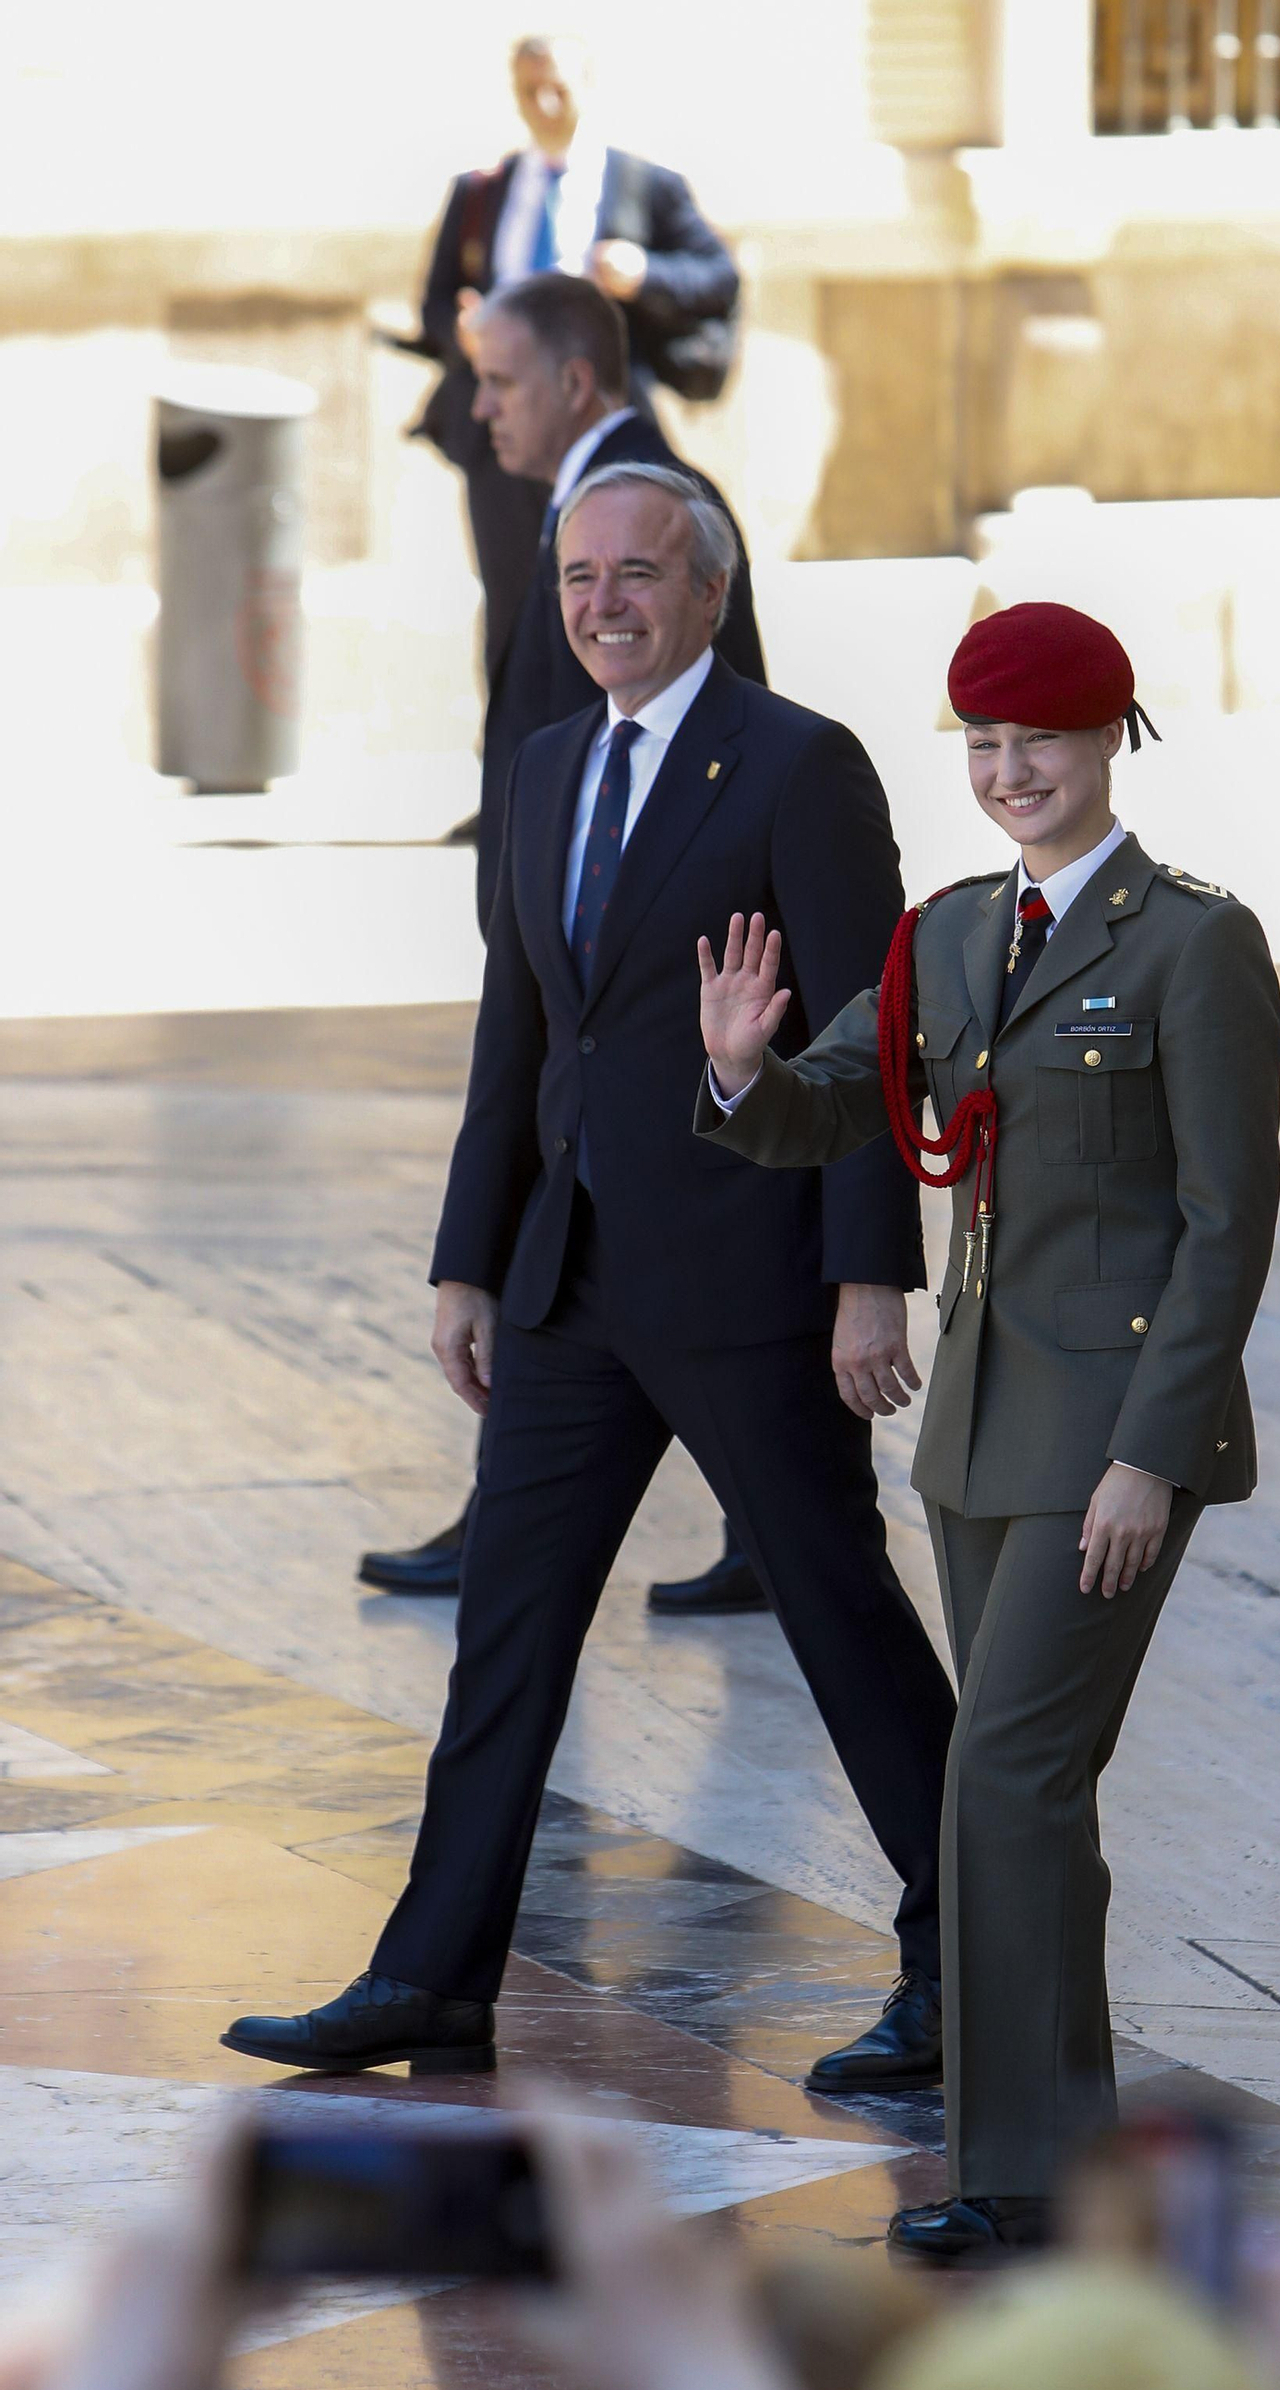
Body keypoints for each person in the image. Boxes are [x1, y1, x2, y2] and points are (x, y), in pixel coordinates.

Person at [223, 463, 957, 2078]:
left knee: (839, 1617)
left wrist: (867, 1278)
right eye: (578, 578)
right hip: (570, 1285)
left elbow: (863, 1039)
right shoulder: (551, 766)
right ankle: (433, 1976)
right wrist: (467, 1260)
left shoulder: (797, 765)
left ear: (709, 591)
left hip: (753, 1286)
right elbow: (522, 1036)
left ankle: (976, 1961)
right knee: (507, 1633)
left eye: (639, 574)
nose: (604, 603)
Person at [695, 601, 1280, 2261]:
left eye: (1042, 739)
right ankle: (1070, 2158)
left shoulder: (1192, 946)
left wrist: (1152, 1454)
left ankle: (1020, 2180)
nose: (1011, 770)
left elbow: (1225, 1221)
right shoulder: (951, 934)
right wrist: (745, 1073)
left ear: (1114, 742)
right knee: (1034, 1793)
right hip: (978, 1431)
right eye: (984, 742)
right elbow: (848, 1098)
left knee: (1006, 1773)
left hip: (1115, 1434)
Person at [357, 273, 767, 1615]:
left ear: (578, 382)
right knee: (585, 1236)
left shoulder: (648, 504)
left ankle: (580, 1519)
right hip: (585, 949)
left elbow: (725, 739)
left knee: (638, 1236)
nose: (478, 412)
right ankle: (726, 1520)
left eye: (502, 383)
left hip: (634, 969)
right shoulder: (593, 502)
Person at [409, 33, 741, 681]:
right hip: (504, 436)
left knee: (615, 592)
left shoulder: (645, 186)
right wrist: (466, 332)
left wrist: (641, 274)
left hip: (602, 424)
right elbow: (432, 307)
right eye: (530, 90)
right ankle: (518, 766)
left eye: (559, 86)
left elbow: (718, 278)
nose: (546, 102)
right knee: (514, 599)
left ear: (588, 85)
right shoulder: (482, 193)